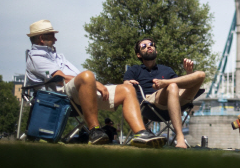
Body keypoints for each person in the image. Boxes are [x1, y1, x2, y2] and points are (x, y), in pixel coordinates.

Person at [25, 19, 164, 147]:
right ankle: (95, 131)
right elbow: (60, 77)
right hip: (60, 96)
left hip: (82, 91)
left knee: (128, 89)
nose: (55, 39)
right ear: (42, 38)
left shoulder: (57, 56)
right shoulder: (36, 57)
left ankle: (141, 133)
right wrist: (95, 83)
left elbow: (78, 77)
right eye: (51, 36)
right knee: (87, 75)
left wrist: (92, 82)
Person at [123, 37, 206, 149]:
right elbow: (125, 86)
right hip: (150, 104)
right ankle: (180, 137)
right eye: (144, 46)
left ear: (156, 50)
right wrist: (128, 83)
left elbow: (181, 85)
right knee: (172, 86)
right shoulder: (134, 70)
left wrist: (189, 73)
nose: (149, 46)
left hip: (176, 101)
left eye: (151, 44)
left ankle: (165, 83)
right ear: (139, 54)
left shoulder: (167, 70)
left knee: (201, 74)